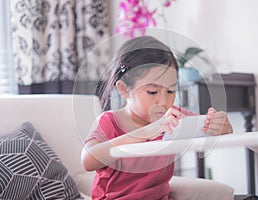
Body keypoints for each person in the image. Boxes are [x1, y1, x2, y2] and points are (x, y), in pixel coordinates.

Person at [81, 36, 233, 200]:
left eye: (171, 91)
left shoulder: (174, 117)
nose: (163, 101)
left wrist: (220, 125)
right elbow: (88, 161)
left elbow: (209, 129)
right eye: (152, 92)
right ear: (124, 89)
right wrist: (148, 131)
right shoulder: (110, 121)